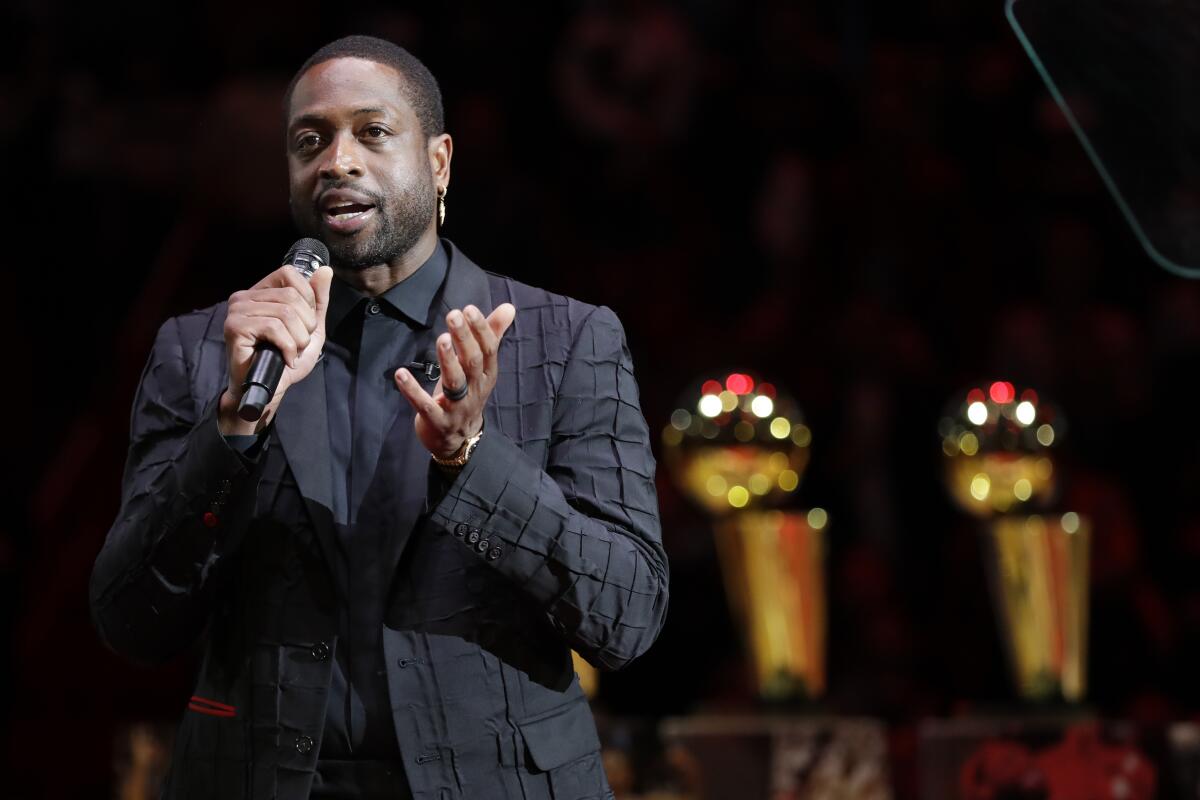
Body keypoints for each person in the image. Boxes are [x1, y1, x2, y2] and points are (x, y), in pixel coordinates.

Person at [89, 35, 668, 800]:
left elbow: (625, 616)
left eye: (372, 131)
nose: (337, 160)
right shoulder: (206, 351)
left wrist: (473, 461)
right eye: (310, 140)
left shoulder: (565, 341)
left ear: (438, 163)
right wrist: (230, 431)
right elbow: (130, 620)